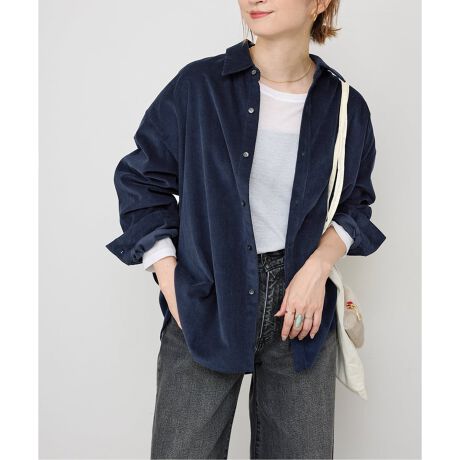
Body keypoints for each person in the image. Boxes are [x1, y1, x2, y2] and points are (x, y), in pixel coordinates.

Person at [106, 0, 386, 458]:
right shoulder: (199, 87)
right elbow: (140, 179)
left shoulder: (344, 105)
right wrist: (171, 279)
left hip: (301, 307)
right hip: (207, 296)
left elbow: (355, 203)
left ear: (319, 4)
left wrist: (317, 269)